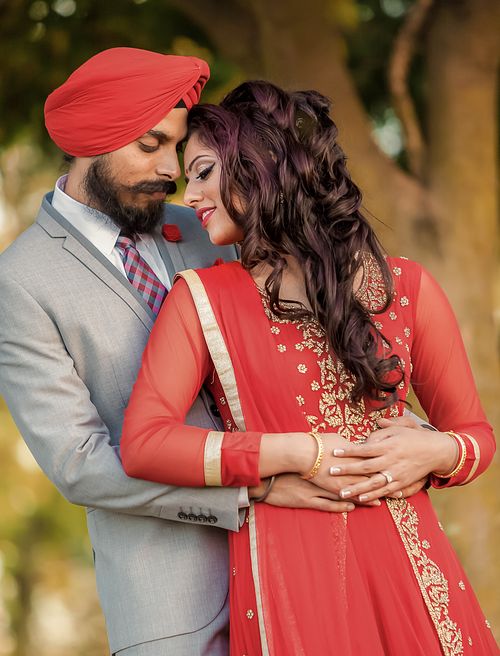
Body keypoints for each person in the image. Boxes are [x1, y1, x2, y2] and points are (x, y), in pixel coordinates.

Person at [0, 49, 400, 655]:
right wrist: (253, 489)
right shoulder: (21, 280)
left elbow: (310, 348)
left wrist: (422, 436)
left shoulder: (205, 226)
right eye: (150, 145)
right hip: (174, 606)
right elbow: (79, 463)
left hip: (304, 561)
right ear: (91, 141)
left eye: (178, 148)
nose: (172, 170)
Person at [121, 81, 498, 654]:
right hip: (293, 576)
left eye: (202, 172)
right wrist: (299, 452)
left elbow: (476, 436)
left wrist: (437, 452)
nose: (188, 194)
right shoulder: (203, 299)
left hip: (416, 574)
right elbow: (145, 443)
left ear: (259, 165)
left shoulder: (406, 286)